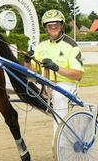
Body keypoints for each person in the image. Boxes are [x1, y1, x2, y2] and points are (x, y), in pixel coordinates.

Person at [25, 9, 84, 139]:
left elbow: (78, 75)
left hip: (67, 85)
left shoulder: (71, 45)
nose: (53, 27)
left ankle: (59, 142)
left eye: (56, 24)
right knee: (22, 88)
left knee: (58, 96)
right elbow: (32, 75)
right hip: (46, 85)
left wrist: (56, 68)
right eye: (49, 24)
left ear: (61, 25)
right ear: (45, 27)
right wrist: (27, 61)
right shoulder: (41, 46)